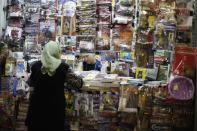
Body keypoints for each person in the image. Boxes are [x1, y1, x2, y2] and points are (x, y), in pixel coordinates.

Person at [25, 41, 83, 131]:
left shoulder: (36, 66)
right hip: (55, 107)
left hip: (37, 107)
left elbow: (30, 83)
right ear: (57, 52)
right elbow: (78, 84)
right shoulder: (64, 67)